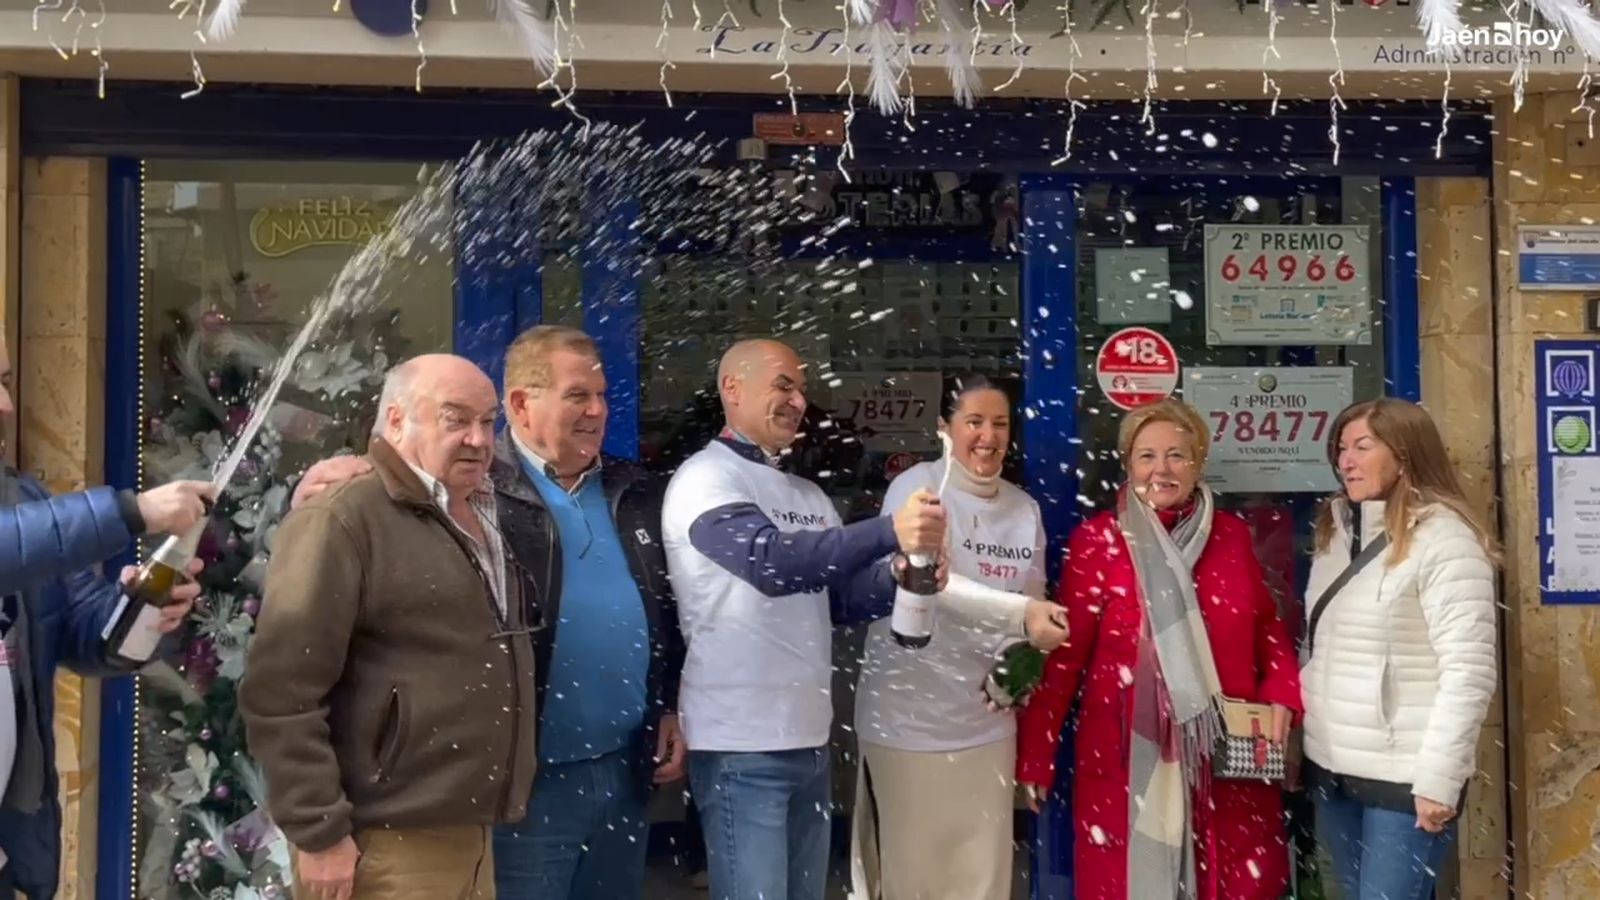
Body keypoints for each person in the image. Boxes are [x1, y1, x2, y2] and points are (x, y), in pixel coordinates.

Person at [291, 325, 684, 900]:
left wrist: (665, 699)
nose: (597, 410)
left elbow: (662, 606)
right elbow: (376, 516)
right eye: (577, 395)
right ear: (522, 404)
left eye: (601, 396)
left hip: (623, 771)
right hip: (525, 786)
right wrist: (321, 494)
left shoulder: (635, 488)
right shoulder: (473, 487)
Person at [241, 354, 540, 900]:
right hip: (380, 845)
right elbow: (281, 691)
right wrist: (318, 832)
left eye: (488, 421)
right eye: (455, 419)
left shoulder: (484, 509)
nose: (478, 439)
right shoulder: (342, 517)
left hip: (467, 836)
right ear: (397, 421)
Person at [661, 338, 947, 900]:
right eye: (783, 385)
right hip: (740, 745)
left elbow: (833, 601)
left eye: (801, 388)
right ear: (733, 390)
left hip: (809, 741)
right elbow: (771, 563)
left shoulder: (808, 492)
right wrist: (890, 530)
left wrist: (900, 575)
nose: (797, 400)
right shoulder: (704, 477)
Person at [1015, 398, 1302, 900]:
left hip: (1228, 756)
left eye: (1176, 455)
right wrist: (1036, 756)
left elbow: (1268, 629)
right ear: (1128, 465)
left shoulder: (1232, 537)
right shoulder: (1098, 541)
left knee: (1231, 883)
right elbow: (1064, 659)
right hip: (1127, 759)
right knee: (1128, 881)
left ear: (1198, 464)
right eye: (1147, 456)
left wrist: (1282, 693)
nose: (1161, 469)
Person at [0, 334, 211, 897]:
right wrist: (130, 510)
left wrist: (142, 609)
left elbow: (77, 628)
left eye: (3, 382)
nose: (6, 406)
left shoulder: (20, 498)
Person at [850, 373, 1069, 900]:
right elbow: (927, 580)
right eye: (974, 421)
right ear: (945, 429)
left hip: (986, 729)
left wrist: (1022, 659)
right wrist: (1020, 615)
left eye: (999, 423)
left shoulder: (1023, 508)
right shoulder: (919, 490)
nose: (988, 436)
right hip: (909, 726)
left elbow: (1033, 604)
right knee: (911, 880)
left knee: (981, 879)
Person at [1301, 398, 1497, 900]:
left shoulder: (1446, 540)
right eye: (1341, 448)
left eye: (1363, 447)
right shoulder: (1335, 532)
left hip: (1403, 782)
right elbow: (1319, 650)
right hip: (1333, 770)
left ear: (1406, 453)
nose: (1346, 460)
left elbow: (1468, 671)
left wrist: (1439, 778)